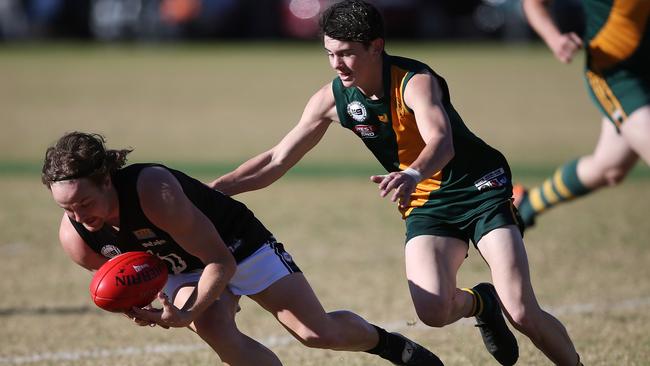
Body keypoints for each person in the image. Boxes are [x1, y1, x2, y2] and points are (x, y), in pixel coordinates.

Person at [210, 1, 583, 365]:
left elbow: (441, 141)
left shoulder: (415, 82)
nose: (337, 64)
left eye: (347, 53)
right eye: (329, 54)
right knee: (433, 311)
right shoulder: (332, 98)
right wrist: (214, 191)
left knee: (521, 311)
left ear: (376, 47)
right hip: (425, 203)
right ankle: (481, 302)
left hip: (479, 188)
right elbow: (277, 159)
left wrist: (412, 173)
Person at [41, 131, 444, 366]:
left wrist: (186, 312)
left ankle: (393, 346)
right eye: (67, 208)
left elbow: (221, 260)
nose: (79, 215)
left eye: (85, 203)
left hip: (235, 244)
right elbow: (132, 273)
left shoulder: (152, 190)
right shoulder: (76, 239)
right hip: (180, 263)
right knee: (217, 330)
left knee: (315, 332)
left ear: (107, 181)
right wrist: (145, 303)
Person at [516, 0, 650, 228]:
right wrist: (555, 39)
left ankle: (528, 203)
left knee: (610, 168)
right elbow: (533, 3)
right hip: (620, 75)